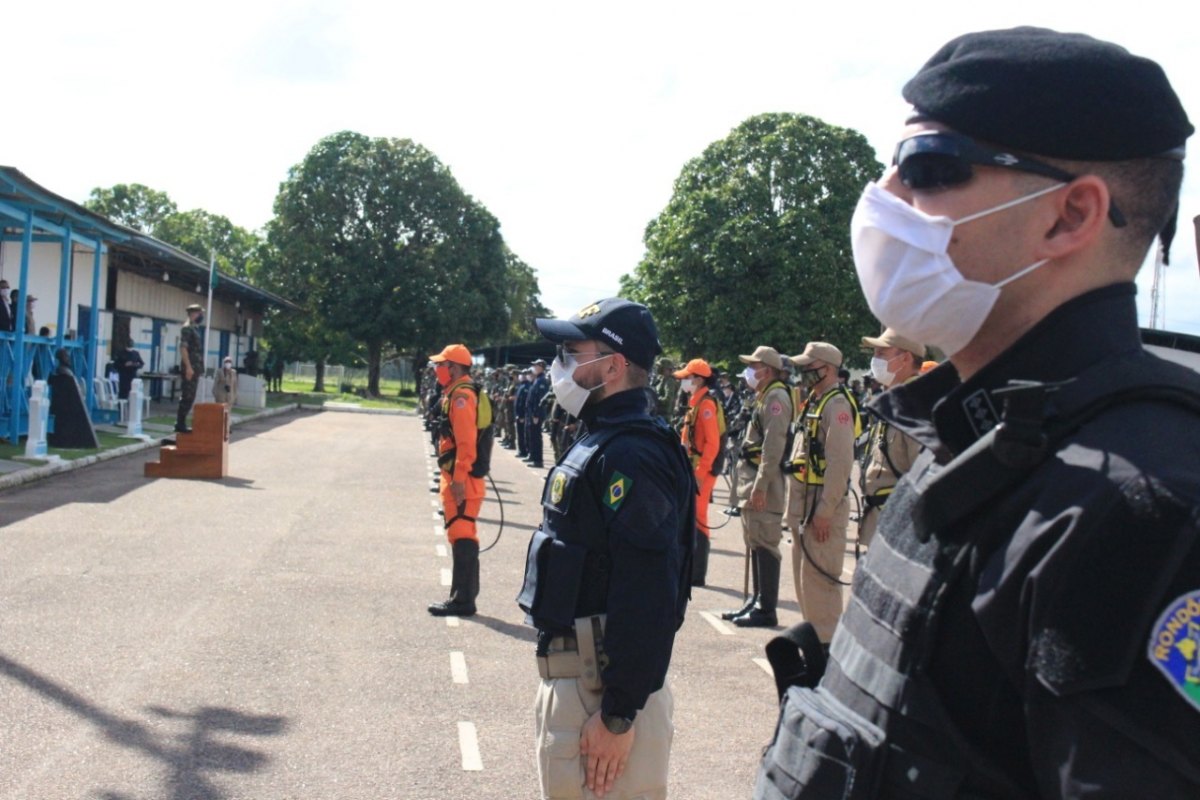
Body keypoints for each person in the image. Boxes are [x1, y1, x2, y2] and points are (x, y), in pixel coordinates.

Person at [756, 27, 1200, 798]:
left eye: (929, 169)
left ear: (1068, 217)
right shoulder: (972, 437)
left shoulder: (1146, 515)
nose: (884, 200)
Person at [518, 297, 694, 800]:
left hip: (603, 692)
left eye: (573, 352)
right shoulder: (604, 438)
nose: (561, 365)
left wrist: (618, 714)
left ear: (612, 366)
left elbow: (649, 590)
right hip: (586, 682)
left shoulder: (632, 453)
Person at [785, 342, 859, 647]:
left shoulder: (837, 406)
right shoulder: (816, 400)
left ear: (826, 368)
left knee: (821, 585)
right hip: (806, 503)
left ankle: (827, 654)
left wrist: (826, 510)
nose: (804, 373)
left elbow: (840, 464)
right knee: (807, 584)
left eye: (809, 367)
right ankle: (814, 648)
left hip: (821, 505)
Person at [723, 345, 792, 628]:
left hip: (765, 484)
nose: (750, 371)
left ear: (768, 369)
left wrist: (761, 486)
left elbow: (773, 448)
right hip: (753, 482)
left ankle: (766, 608)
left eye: (755, 365)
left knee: (765, 544)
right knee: (755, 541)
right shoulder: (763, 396)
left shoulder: (776, 398)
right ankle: (757, 600)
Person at [427, 343, 485, 617]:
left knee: (462, 535)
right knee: (459, 534)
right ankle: (461, 597)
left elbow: (466, 442)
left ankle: (463, 601)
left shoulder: (462, 396)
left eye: (442, 364)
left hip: (462, 479)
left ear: (455, 367)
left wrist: (459, 479)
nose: (438, 369)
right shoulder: (455, 393)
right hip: (456, 476)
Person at [857, 328, 925, 548]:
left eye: (882, 354)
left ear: (905, 358)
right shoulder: (893, 400)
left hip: (899, 530)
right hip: (880, 522)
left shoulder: (914, 405)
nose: (875, 360)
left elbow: (922, 478)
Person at [674, 358, 723, 586]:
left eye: (687, 377)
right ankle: (691, 568)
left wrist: (700, 475)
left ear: (699, 379)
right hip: (693, 468)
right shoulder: (696, 402)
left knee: (699, 519)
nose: (684, 381)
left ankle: (697, 573)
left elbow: (712, 444)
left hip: (701, 471)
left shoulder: (706, 405)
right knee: (692, 517)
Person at [175, 303, 205, 434]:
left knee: (190, 396)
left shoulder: (195, 328)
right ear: (193, 314)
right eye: (199, 313)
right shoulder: (187, 328)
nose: (201, 316)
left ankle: (181, 422)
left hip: (195, 367)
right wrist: (188, 367)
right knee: (187, 395)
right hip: (190, 367)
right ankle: (180, 423)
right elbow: (183, 348)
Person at [524, 358, 550, 468]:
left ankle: (538, 460)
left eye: (536, 366)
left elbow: (540, 400)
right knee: (532, 436)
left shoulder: (542, 380)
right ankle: (534, 457)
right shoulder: (537, 380)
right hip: (531, 414)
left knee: (536, 437)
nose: (534, 367)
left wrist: (536, 414)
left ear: (541, 367)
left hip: (536, 415)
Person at [212, 355, 238, 420]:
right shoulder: (220, 371)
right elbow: (215, 384)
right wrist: (215, 394)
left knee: (227, 414)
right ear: (224, 363)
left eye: (229, 362)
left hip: (230, 397)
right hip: (221, 396)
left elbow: (235, 385)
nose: (228, 363)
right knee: (220, 413)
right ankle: (219, 427)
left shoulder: (233, 372)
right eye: (226, 362)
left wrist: (235, 396)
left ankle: (227, 428)